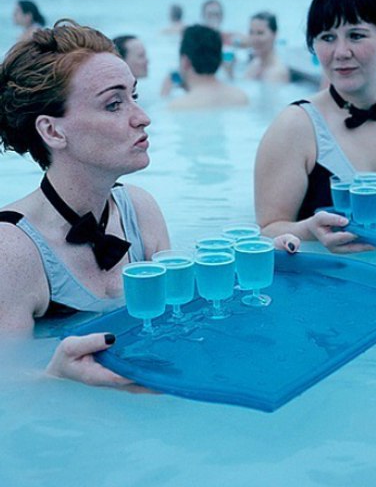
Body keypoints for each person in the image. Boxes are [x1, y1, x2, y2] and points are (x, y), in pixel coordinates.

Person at [0, 20, 299, 388]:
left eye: (134, 97)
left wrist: (253, 265)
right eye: (114, 104)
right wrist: (54, 377)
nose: (143, 118)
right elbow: (8, 387)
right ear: (52, 130)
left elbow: (181, 319)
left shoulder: (139, 210)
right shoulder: (13, 250)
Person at [253, 0, 376, 253]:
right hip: (332, 277)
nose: (341, 52)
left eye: (356, 35)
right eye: (327, 37)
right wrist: (307, 230)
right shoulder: (295, 126)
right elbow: (267, 230)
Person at [166, 26, 250, 110]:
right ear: (220, 59)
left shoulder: (179, 106)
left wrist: (164, 95)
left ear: (185, 62)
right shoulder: (240, 98)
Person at [241, 11, 291, 83]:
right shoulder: (254, 64)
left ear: (274, 34)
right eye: (251, 32)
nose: (254, 38)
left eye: (260, 33)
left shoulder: (277, 73)